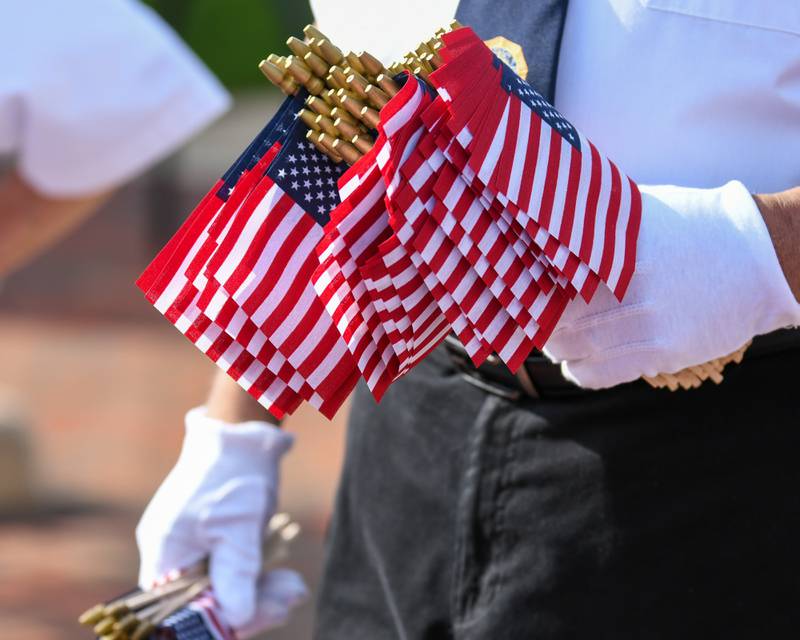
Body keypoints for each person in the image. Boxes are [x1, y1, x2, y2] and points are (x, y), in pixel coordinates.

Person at [137, 0, 800, 638]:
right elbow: (354, 86)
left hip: (721, 443)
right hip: (413, 414)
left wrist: (760, 248)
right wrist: (234, 430)